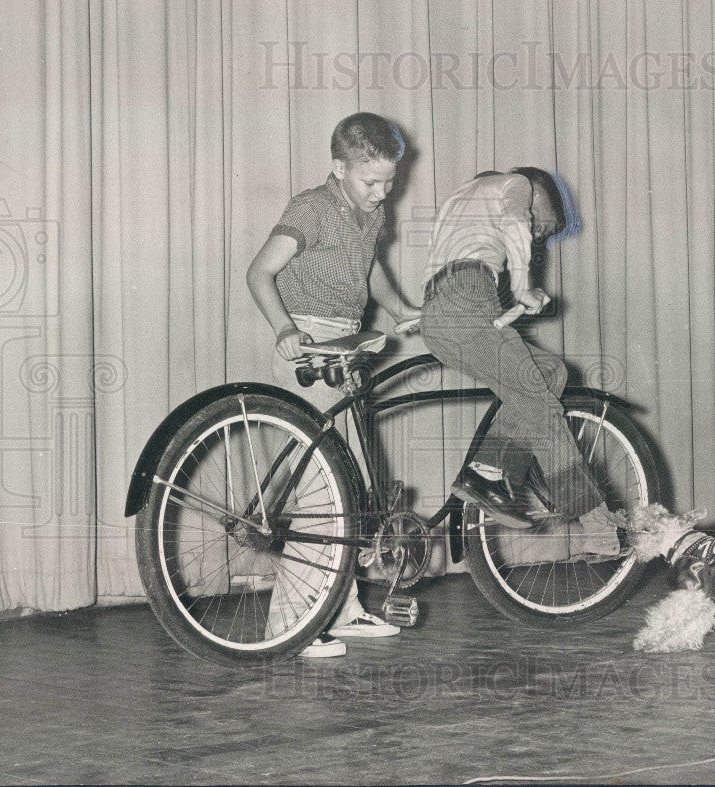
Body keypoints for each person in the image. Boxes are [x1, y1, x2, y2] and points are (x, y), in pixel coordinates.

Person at [246, 112, 420, 657]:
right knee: (321, 493)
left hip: (348, 344)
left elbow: (368, 269)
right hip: (308, 349)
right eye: (371, 181)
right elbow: (259, 272)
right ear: (338, 167)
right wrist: (284, 329)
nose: (382, 191)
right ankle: (292, 625)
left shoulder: (371, 213)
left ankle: (340, 611)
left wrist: (400, 311)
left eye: (390, 181)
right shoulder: (310, 208)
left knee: (347, 487)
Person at [419, 168, 624, 559]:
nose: (536, 234)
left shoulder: (463, 196)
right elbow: (514, 222)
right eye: (541, 225)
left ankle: (488, 472)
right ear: (537, 192)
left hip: (447, 309)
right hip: (463, 301)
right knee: (542, 408)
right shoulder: (517, 184)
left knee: (549, 373)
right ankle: (598, 527)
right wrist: (520, 283)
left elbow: (457, 261)